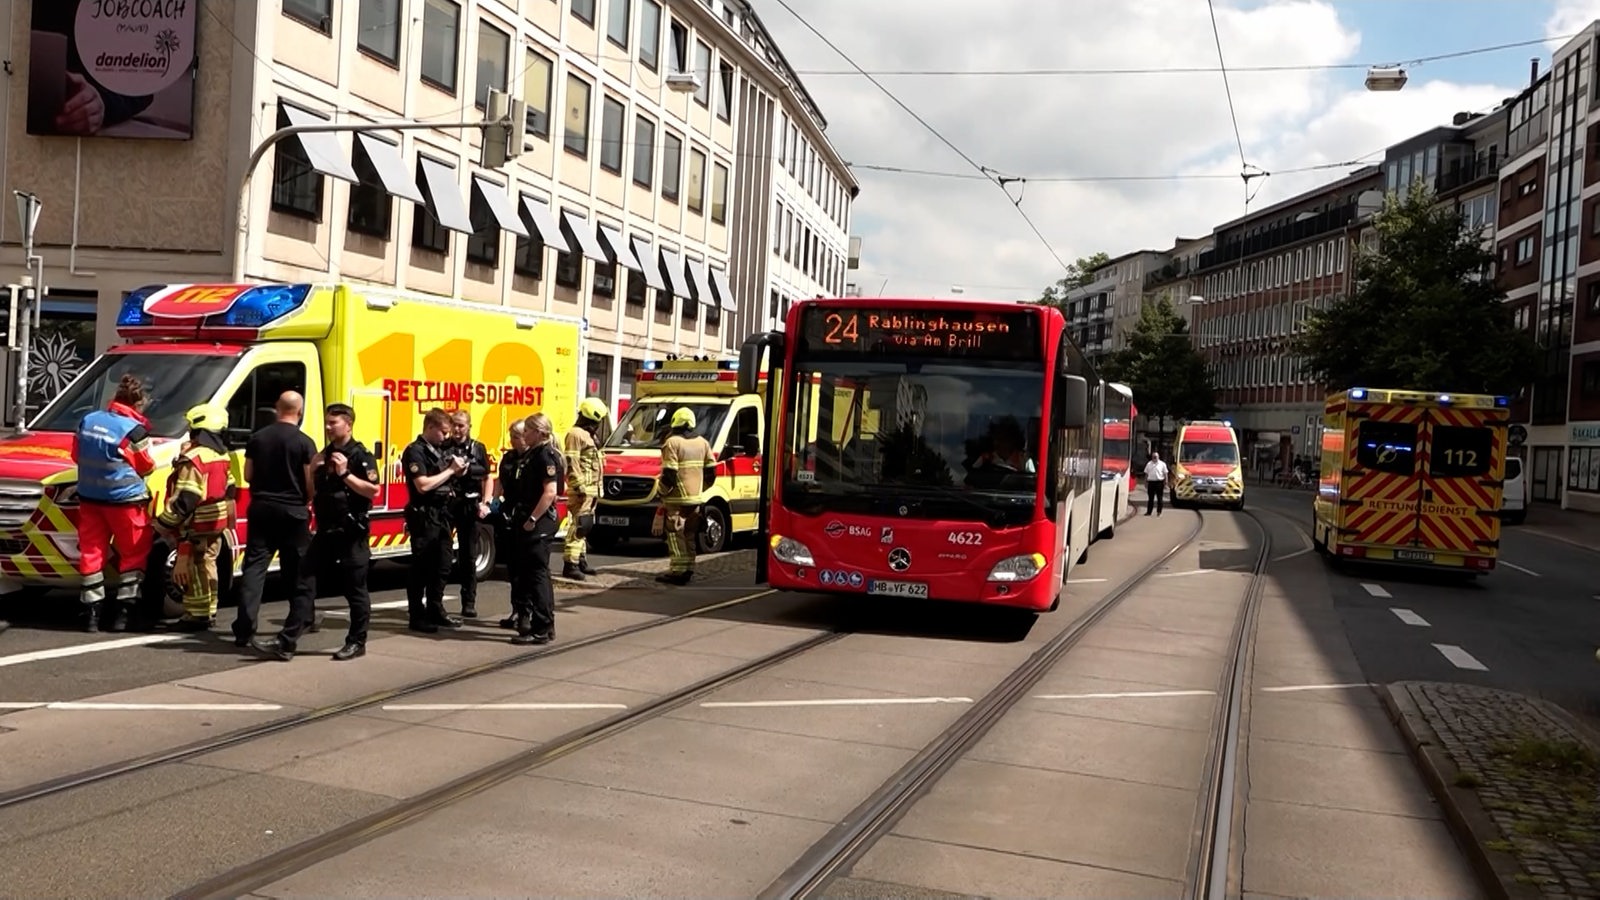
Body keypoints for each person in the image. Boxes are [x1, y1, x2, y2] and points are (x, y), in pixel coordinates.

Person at [252, 403, 380, 662]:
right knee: (303, 581)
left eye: (334, 423)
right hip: (325, 532)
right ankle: (286, 642)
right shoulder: (322, 455)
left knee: (354, 589)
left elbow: (373, 491)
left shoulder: (359, 455)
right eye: (327, 422)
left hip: (351, 532)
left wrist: (344, 474)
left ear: (348, 424)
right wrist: (314, 469)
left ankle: (357, 641)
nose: (328, 427)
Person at [231, 392, 319, 647]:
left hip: (261, 508)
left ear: (277, 408)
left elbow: (248, 475)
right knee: (297, 569)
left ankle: (244, 629)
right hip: (293, 511)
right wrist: (307, 500)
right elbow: (309, 481)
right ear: (300, 412)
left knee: (255, 567)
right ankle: (303, 618)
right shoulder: (305, 442)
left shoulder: (258, 438)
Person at [71, 373, 157, 633]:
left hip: (90, 500)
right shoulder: (133, 430)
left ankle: (91, 615)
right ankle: (124, 615)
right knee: (133, 555)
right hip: (125, 502)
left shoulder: (88, 420)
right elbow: (146, 465)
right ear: (138, 403)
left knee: (91, 554)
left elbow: (76, 455)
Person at [153, 404, 237, 632]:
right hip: (216, 523)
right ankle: (209, 610)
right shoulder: (221, 455)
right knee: (209, 564)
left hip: (197, 524)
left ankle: (197, 616)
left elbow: (187, 499)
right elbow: (230, 488)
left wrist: (162, 524)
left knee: (195, 567)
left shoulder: (193, 459)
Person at [403, 408, 467, 633]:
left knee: (443, 563)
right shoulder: (415, 452)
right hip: (424, 514)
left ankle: (435, 608)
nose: (446, 437)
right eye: (443, 432)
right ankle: (416, 614)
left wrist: (456, 472)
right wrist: (450, 471)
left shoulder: (438, 450)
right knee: (421, 566)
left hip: (442, 514)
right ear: (430, 428)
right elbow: (423, 485)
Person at [504, 414, 562, 644]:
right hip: (528, 518)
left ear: (538, 432)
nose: (524, 434)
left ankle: (541, 627)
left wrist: (532, 519)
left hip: (538, 522)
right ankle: (545, 624)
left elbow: (550, 492)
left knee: (537, 575)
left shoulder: (545, 455)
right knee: (535, 574)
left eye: (527, 430)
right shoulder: (533, 454)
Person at [656, 407, 717, 586]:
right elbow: (711, 472)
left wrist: (661, 492)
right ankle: (689, 568)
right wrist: (700, 489)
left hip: (676, 500)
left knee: (675, 535)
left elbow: (669, 474)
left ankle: (678, 571)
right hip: (695, 500)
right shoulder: (703, 443)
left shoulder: (672, 443)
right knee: (690, 534)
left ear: (675, 423)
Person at [443, 410, 492, 619]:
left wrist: (486, 502)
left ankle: (468, 602)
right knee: (442, 554)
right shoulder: (444, 447)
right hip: (448, 504)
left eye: (461, 425)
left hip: (468, 506)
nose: (456, 429)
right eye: (454, 424)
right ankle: (436, 602)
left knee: (468, 557)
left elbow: (487, 477)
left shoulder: (477, 448)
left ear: (469, 426)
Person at [561, 397, 607, 581]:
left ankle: (580, 560)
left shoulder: (586, 435)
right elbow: (572, 463)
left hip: (591, 489)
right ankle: (570, 564)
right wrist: (579, 486)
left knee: (585, 525)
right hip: (583, 490)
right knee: (579, 526)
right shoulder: (575, 434)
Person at [495, 419, 531, 631]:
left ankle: (526, 612)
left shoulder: (532, 458)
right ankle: (516, 610)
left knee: (524, 569)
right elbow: (501, 479)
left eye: (515, 437)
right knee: (512, 568)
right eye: (511, 436)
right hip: (509, 515)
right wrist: (495, 499)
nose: (512, 440)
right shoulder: (509, 457)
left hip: (524, 515)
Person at [1144, 450, 1169, 517]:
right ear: (1152, 457)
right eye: (1153, 457)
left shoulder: (1162, 464)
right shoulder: (1149, 464)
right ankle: (1149, 512)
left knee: (1159, 498)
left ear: (1158, 457)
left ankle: (1159, 512)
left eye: (1156, 457)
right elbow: (1146, 473)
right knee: (1150, 498)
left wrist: (1166, 482)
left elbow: (1165, 473)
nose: (1154, 458)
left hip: (1159, 483)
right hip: (1151, 482)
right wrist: (1145, 482)